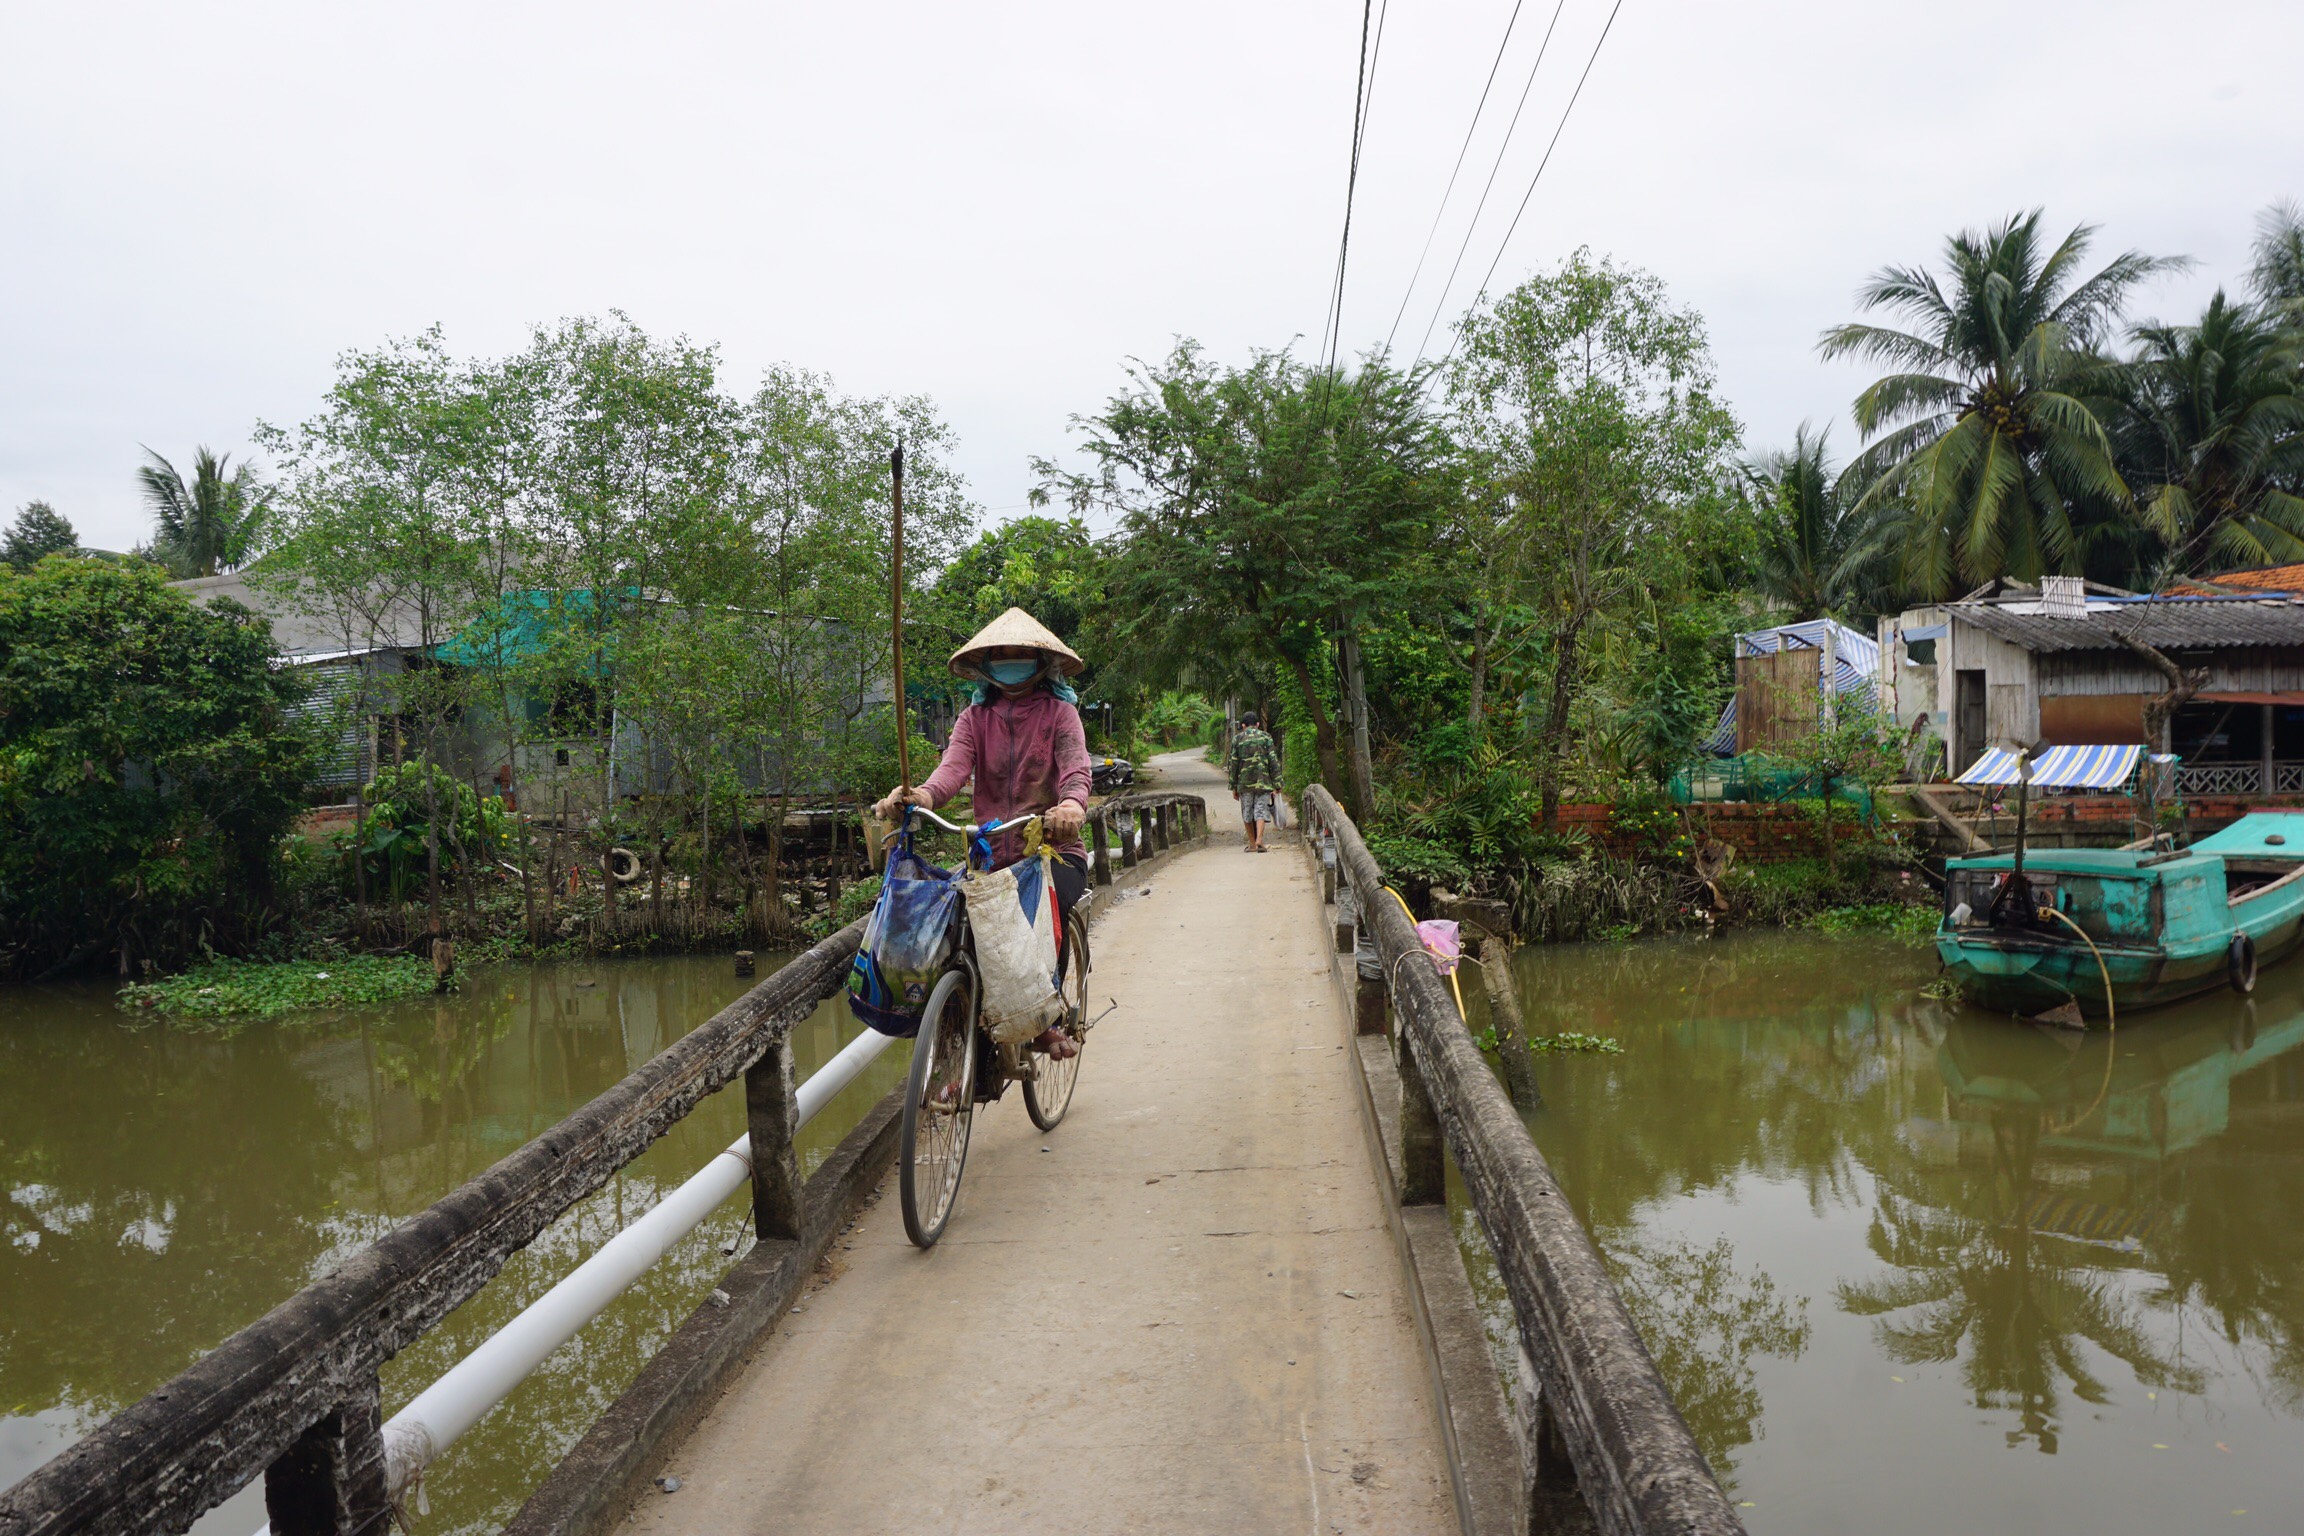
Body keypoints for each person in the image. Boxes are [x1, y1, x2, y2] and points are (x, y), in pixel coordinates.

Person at [874, 607, 1091, 1059]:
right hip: (990, 856)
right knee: (956, 935)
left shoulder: (1060, 714)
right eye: (1002, 656)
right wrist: (918, 798)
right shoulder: (973, 720)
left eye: (1021, 656)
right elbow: (950, 773)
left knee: (1042, 913)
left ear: (1041, 663)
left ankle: (1047, 1016)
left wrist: (1070, 805)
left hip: (1055, 850)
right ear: (986, 664)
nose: (1011, 662)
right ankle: (957, 1054)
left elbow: (1075, 768)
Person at [1228, 710, 1280, 853]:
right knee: (1261, 810)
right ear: (1257, 724)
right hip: (1263, 781)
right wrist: (1278, 784)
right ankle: (1260, 840)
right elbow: (1273, 761)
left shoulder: (1237, 740)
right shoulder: (1266, 737)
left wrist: (1233, 786)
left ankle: (1252, 844)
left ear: (1243, 725)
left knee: (1247, 812)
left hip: (1244, 783)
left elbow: (1233, 764)